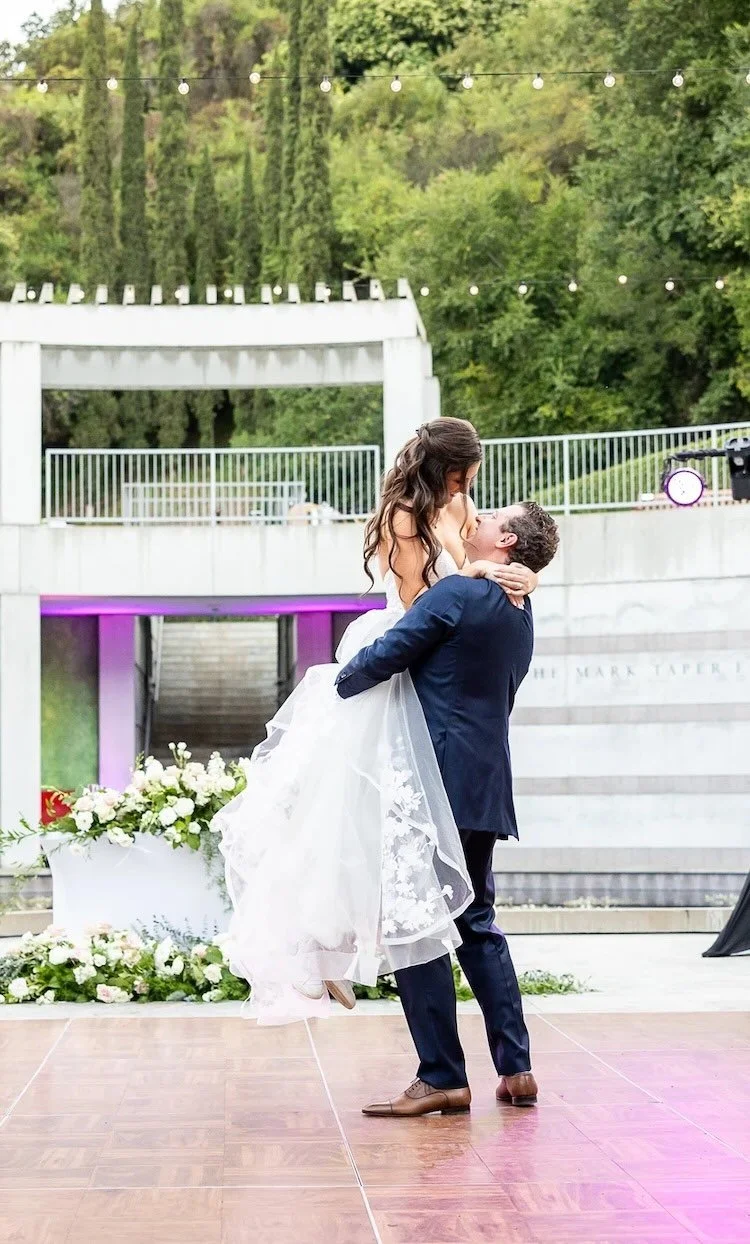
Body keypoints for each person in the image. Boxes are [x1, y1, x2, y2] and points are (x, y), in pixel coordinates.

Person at [213, 417, 537, 1024]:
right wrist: (473, 576)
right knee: (345, 817)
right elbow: (425, 603)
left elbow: (488, 565)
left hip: (437, 654)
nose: (470, 488)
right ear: (449, 467)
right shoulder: (403, 518)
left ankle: (336, 953)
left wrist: (521, 575)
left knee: (379, 840)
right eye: (466, 474)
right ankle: (323, 947)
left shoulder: (460, 507)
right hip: (406, 642)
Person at [336, 502, 560, 1116]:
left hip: (431, 786)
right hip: (485, 788)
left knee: (417, 924)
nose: (477, 518)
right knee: (476, 922)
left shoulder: (459, 593)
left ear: (506, 541)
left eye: (492, 519)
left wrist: (335, 683)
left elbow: (382, 659)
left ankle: (441, 1075)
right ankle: (517, 1069)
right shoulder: (521, 609)